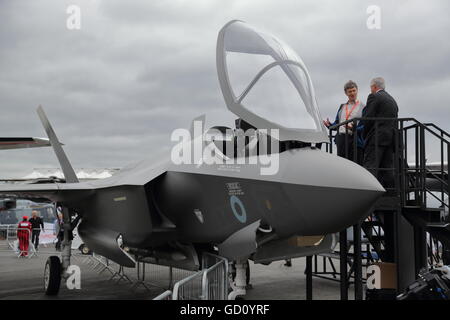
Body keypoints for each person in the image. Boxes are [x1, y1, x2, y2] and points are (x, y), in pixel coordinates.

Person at [361, 77, 399, 190]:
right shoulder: (392, 100)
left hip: (376, 137)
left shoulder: (374, 96)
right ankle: (391, 192)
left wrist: (365, 134)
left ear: (374, 87)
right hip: (390, 138)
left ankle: (368, 192)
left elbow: (368, 117)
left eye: (371, 87)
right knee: (387, 168)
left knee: (370, 167)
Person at [324, 80, 365, 163]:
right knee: (342, 164)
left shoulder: (363, 107)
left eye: (354, 90)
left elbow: (365, 125)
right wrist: (330, 125)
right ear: (346, 93)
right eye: (350, 91)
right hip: (341, 139)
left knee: (354, 164)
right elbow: (337, 123)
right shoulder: (342, 106)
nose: (352, 93)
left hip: (354, 139)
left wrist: (354, 128)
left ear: (357, 90)